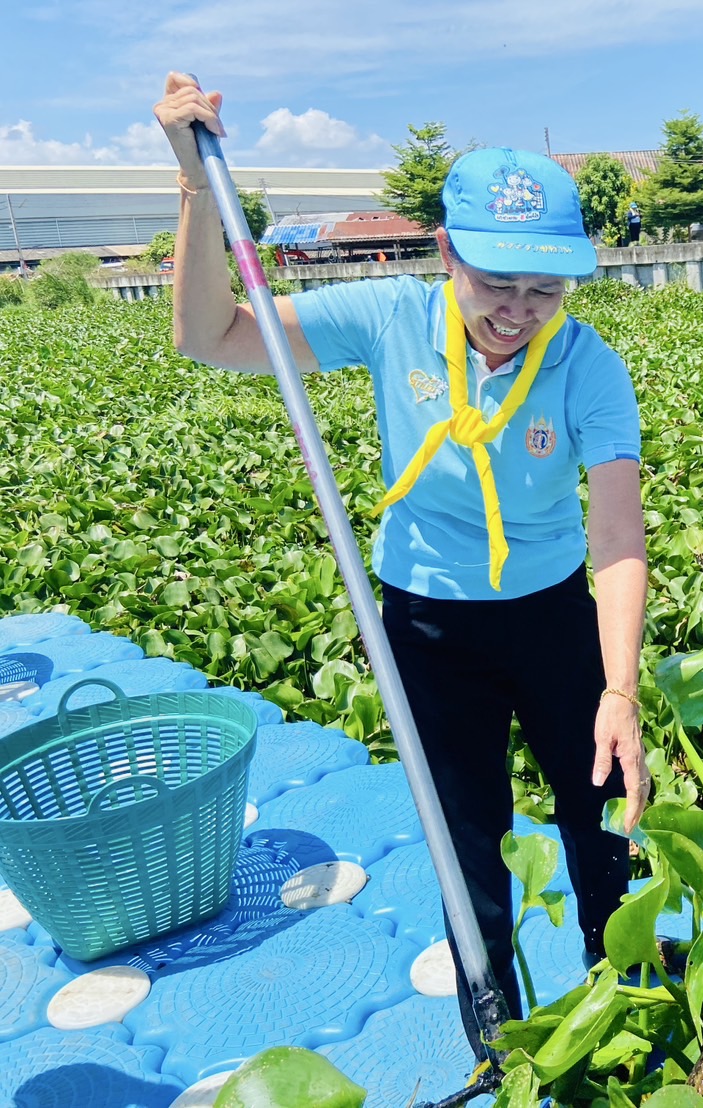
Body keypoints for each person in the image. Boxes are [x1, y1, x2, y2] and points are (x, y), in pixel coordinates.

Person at [153, 73, 651, 1059]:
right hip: (427, 624)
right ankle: (498, 1027)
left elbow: (617, 532)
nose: (518, 310)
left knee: (599, 816)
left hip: (553, 614)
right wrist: (192, 186)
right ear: (446, 253)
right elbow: (207, 336)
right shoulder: (389, 318)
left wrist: (621, 686)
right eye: (495, 282)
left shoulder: (585, 362)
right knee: (469, 838)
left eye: (543, 287)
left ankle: (624, 985)